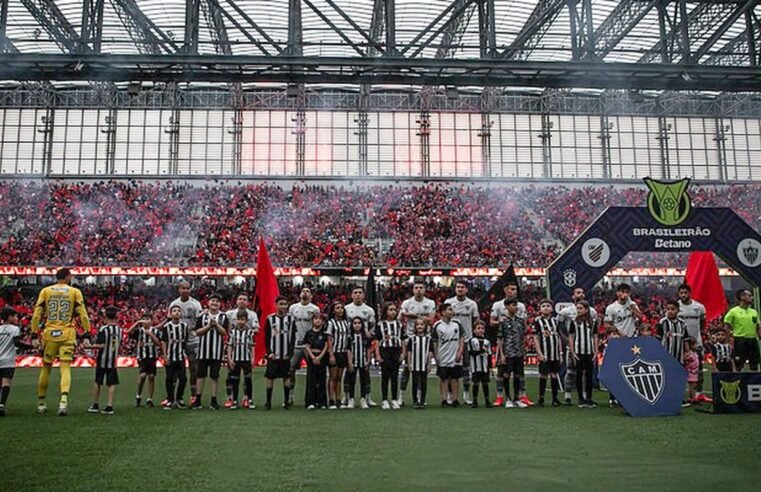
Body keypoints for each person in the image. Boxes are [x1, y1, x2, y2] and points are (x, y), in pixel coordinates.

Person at [31, 268, 91, 416]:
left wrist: (34, 334)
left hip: (49, 334)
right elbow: (83, 315)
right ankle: (63, 402)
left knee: (46, 368)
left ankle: (41, 403)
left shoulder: (45, 291)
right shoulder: (74, 292)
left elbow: (36, 315)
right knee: (65, 368)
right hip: (67, 334)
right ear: (68, 277)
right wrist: (87, 332)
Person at [490, 281, 530, 406]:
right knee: (502, 372)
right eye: (511, 289)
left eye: (515, 289)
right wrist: (503, 322)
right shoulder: (497, 305)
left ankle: (521, 397)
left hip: (517, 346)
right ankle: (501, 396)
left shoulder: (521, 306)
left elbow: (524, 325)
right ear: (505, 290)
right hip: (505, 345)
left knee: (519, 373)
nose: (514, 291)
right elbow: (491, 322)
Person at [557, 287, 598, 405]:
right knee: (570, 372)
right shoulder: (566, 311)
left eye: (582, 292)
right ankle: (567, 395)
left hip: (588, 348)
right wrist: (564, 339)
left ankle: (586, 396)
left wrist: (595, 349)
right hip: (573, 347)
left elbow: (594, 332)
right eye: (578, 292)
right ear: (573, 296)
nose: (581, 294)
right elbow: (559, 324)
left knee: (587, 373)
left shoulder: (593, 312)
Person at [399, 281, 437, 405]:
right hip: (410, 338)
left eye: (421, 287)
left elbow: (431, 320)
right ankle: (401, 396)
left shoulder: (430, 302)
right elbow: (400, 317)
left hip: (425, 339)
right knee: (407, 368)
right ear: (413, 290)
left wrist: (415, 316)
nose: (419, 290)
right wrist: (408, 315)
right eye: (416, 288)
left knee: (422, 369)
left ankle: (421, 398)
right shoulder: (407, 303)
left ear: (425, 289)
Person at [191, 294, 229, 410]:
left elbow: (224, 332)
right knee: (200, 375)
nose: (215, 303)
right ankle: (198, 399)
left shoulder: (223, 317)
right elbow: (197, 332)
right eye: (213, 301)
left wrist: (216, 324)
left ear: (220, 304)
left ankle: (214, 400)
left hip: (216, 352)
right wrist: (208, 326)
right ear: (208, 303)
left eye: (217, 302)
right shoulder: (202, 316)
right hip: (203, 351)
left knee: (214, 376)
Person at [445, 280, 479, 405]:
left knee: (466, 369)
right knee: (451, 368)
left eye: (462, 287)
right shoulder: (449, 302)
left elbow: (476, 320)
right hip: (451, 341)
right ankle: (450, 395)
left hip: (467, 340)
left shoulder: (472, 304)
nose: (460, 289)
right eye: (458, 287)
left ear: (466, 289)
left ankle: (466, 395)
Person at [168, 281, 203, 403]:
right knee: (174, 369)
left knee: (194, 367)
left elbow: (200, 321)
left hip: (193, 339)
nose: (185, 290)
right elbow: (169, 321)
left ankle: (193, 395)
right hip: (177, 341)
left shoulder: (195, 304)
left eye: (188, 288)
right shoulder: (174, 304)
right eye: (183, 288)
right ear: (179, 289)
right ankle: (171, 396)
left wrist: (193, 330)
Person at [224, 292, 259, 408]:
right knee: (231, 376)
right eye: (240, 299)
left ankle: (246, 398)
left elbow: (256, 329)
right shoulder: (229, 314)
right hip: (234, 350)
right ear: (236, 300)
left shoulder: (252, 314)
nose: (242, 301)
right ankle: (231, 398)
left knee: (247, 378)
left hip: (246, 352)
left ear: (248, 302)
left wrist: (250, 331)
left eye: (245, 299)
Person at [287, 288, 321, 405]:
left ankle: (313, 397)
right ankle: (290, 396)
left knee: (313, 371)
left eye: (307, 291)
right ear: (300, 294)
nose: (305, 293)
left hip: (309, 346)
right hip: (296, 344)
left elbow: (317, 325)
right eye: (303, 291)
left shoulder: (314, 309)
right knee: (290, 370)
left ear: (311, 296)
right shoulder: (293, 308)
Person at [344, 287, 377, 406]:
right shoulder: (346, 309)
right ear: (351, 295)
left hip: (363, 343)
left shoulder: (369, 310)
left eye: (360, 293)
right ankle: (347, 397)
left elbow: (373, 325)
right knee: (348, 372)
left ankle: (367, 397)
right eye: (355, 293)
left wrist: (369, 333)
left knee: (365, 373)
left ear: (364, 295)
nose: (357, 295)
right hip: (350, 342)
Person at [88, 306, 122, 415]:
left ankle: (95, 404)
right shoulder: (119, 330)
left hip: (102, 360)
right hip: (113, 360)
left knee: (98, 382)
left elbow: (101, 345)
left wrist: (88, 347)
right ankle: (109, 405)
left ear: (105, 316)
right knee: (111, 383)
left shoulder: (103, 329)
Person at [264, 297, 296, 410]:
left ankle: (286, 401)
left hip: (285, 354)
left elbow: (293, 338)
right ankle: (268, 402)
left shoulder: (291, 320)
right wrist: (269, 352)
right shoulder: (270, 319)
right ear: (276, 305)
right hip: (274, 355)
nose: (283, 306)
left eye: (285, 304)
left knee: (286, 377)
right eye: (281, 304)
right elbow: (267, 338)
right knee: (270, 377)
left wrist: (291, 353)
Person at [678, 284, 709, 402]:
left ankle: (699, 394)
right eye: (681, 293)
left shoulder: (699, 307)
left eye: (685, 293)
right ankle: (680, 394)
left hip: (697, 343)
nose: (683, 295)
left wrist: (696, 338)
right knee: (679, 369)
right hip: (680, 345)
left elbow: (703, 323)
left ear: (690, 293)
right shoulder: (677, 307)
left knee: (699, 369)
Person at [496, 299, 528, 409]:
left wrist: (524, 351)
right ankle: (508, 398)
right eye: (513, 305)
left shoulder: (520, 321)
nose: (516, 307)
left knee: (518, 376)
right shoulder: (503, 322)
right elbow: (500, 339)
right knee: (506, 375)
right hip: (508, 352)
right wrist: (502, 354)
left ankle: (517, 398)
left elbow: (523, 337)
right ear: (507, 307)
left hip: (518, 352)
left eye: (516, 305)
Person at [432, 303, 464, 408]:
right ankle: (444, 399)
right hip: (443, 355)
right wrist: (436, 355)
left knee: (455, 378)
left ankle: (455, 399)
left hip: (455, 355)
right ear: (443, 312)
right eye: (450, 310)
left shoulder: (457, 324)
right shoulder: (437, 325)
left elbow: (462, 338)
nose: (452, 312)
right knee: (444, 378)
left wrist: (460, 351)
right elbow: (435, 342)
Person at [375, 302, 406, 410]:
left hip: (396, 350)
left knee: (394, 376)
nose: (393, 312)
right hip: (385, 350)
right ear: (385, 311)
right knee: (385, 376)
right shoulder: (380, 324)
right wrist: (378, 354)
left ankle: (394, 399)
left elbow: (402, 340)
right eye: (390, 310)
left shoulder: (399, 324)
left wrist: (403, 353)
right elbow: (377, 341)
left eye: (394, 310)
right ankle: (384, 399)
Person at [126, 313, 161, 408]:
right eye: (144, 319)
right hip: (142, 356)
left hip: (152, 356)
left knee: (151, 376)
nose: (145, 321)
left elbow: (159, 343)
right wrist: (137, 322)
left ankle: (150, 399)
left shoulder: (155, 331)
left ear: (151, 320)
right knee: (142, 376)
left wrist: (151, 335)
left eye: (147, 319)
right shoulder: (139, 331)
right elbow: (128, 332)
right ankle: (138, 396)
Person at [568, 300, 598, 408]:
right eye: (577, 308)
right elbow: (571, 337)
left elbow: (595, 336)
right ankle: (581, 398)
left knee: (589, 375)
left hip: (589, 351)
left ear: (586, 309)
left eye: (580, 308)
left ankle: (589, 398)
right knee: (579, 375)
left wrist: (596, 351)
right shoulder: (574, 322)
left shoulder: (593, 322)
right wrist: (573, 352)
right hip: (578, 351)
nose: (578, 310)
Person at [723, 288, 761, 372]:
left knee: (754, 364)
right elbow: (727, 327)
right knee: (738, 364)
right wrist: (728, 340)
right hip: (739, 340)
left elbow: (758, 327)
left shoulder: (754, 312)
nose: (752, 298)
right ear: (742, 297)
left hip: (752, 340)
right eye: (750, 296)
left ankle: (754, 383)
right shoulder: (733, 311)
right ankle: (738, 383)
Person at [159, 305, 189, 410]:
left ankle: (179, 398)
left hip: (181, 357)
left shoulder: (184, 326)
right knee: (169, 379)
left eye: (178, 311)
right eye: (174, 311)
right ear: (170, 314)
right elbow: (164, 342)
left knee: (183, 378)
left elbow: (185, 340)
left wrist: (185, 352)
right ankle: (170, 399)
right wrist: (165, 355)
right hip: (170, 357)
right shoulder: (167, 327)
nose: (176, 313)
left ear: (181, 314)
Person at [534, 299, 562, 407]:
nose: (546, 308)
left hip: (554, 354)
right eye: (543, 306)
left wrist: (560, 352)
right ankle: (541, 399)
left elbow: (558, 337)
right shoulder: (537, 321)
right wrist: (539, 353)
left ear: (552, 308)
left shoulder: (556, 321)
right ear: (540, 309)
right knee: (543, 375)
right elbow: (535, 338)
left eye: (548, 306)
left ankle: (555, 399)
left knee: (554, 375)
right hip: (544, 353)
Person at [326, 302, 350, 410]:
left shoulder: (346, 323)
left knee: (340, 377)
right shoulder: (331, 323)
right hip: (334, 351)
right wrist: (330, 354)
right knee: (333, 377)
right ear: (333, 310)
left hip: (343, 352)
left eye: (341, 308)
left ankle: (338, 399)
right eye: (337, 308)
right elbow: (329, 339)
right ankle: (331, 399)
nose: (340, 310)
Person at [345, 316, 371, 409]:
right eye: (355, 323)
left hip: (363, 361)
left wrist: (368, 360)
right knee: (351, 380)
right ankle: (351, 399)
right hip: (353, 361)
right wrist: (349, 362)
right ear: (352, 325)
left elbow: (368, 349)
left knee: (363, 380)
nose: (357, 325)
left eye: (359, 323)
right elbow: (348, 350)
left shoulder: (365, 337)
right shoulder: (350, 337)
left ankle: (363, 399)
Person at [0, 307, 22, 417]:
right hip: (8, 360)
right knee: (6, 382)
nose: (17, 318)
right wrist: (31, 346)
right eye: (15, 316)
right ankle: (2, 404)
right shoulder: (14, 329)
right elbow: (17, 343)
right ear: (9, 317)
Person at [303, 315, 329, 410]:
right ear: (312, 321)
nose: (318, 321)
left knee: (322, 379)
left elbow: (326, 346)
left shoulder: (325, 334)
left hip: (322, 357)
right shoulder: (309, 333)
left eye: (320, 319)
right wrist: (313, 357)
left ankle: (322, 402)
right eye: (316, 319)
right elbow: (306, 346)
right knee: (311, 380)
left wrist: (320, 357)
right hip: (312, 357)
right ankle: (310, 402)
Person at [406, 318, 432, 409]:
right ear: (415, 327)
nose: (419, 326)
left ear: (425, 327)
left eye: (422, 324)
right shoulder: (412, 339)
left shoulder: (428, 339)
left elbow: (430, 352)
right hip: (415, 364)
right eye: (417, 325)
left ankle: (422, 400)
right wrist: (409, 363)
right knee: (415, 382)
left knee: (424, 382)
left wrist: (429, 364)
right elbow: (409, 352)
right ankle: (415, 400)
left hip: (424, 364)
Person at [468, 320, 491, 408]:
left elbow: (489, 354)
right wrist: (480, 351)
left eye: (482, 328)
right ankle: (474, 400)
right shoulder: (472, 341)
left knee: (485, 384)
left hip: (484, 367)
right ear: (474, 330)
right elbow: (471, 352)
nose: (480, 330)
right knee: (475, 383)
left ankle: (487, 400)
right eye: (478, 328)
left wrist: (490, 367)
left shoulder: (487, 341)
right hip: (475, 367)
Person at [683, 338, 700, 405]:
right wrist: (688, 358)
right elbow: (684, 358)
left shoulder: (694, 353)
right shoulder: (689, 353)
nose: (696, 346)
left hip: (695, 372)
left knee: (694, 385)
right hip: (691, 372)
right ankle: (692, 398)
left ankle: (692, 397)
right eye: (695, 344)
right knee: (692, 385)